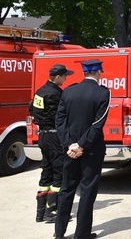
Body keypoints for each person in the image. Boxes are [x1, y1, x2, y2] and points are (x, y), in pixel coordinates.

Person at [54, 59, 111, 239]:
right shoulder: (103, 93)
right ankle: (81, 234)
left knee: (66, 190)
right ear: (99, 72)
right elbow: (97, 124)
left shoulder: (69, 91)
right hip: (91, 151)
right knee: (87, 192)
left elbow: (60, 120)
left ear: (84, 72)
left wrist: (70, 144)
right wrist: (81, 145)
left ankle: (59, 232)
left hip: (70, 150)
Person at [30, 63, 74, 223]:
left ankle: (40, 213)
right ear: (57, 77)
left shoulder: (40, 92)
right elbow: (61, 116)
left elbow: (31, 110)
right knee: (59, 172)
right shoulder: (56, 94)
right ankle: (53, 211)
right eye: (64, 76)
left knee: (46, 171)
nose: (66, 78)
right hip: (54, 136)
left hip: (42, 135)